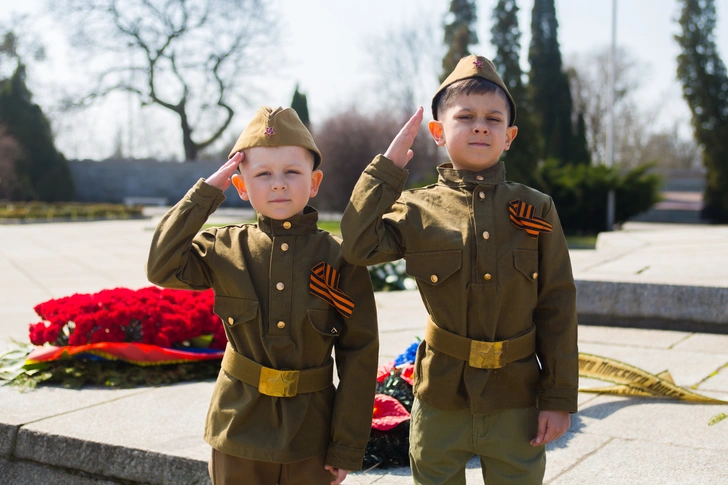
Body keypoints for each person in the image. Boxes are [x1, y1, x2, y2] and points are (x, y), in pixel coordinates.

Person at [340, 55, 578, 484]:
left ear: (510, 135)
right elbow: (358, 246)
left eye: (493, 118)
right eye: (465, 116)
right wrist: (386, 169)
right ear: (438, 131)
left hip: (516, 396)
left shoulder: (537, 208)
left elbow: (557, 303)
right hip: (441, 396)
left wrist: (557, 397)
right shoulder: (417, 208)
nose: (480, 126)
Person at [146, 106, 379, 485]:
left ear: (314, 181)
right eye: (263, 174)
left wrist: (346, 445)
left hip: (312, 437)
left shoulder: (340, 258)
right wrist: (205, 194)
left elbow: (359, 353)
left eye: (292, 172)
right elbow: (161, 266)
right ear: (241, 186)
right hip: (238, 431)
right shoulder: (225, 248)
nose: (278, 184)